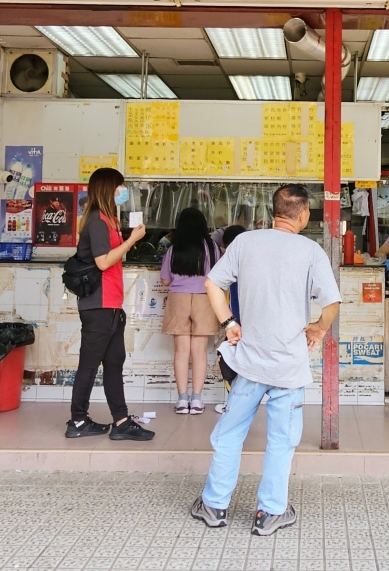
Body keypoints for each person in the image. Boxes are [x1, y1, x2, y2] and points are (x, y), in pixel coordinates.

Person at [191, 184, 340, 537]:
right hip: (288, 367)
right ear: (303, 214)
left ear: (274, 211)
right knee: (281, 441)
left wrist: (229, 323)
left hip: (250, 364)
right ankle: (270, 512)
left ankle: (214, 505)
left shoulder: (245, 242)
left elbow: (212, 284)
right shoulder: (311, 251)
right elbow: (331, 303)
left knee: (229, 435)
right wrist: (318, 329)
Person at [66, 168, 154, 441]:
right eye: (120, 187)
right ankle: (78, 420)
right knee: (89, 365)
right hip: (99, 305)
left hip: (111, 304)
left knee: (114, 363)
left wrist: (127, 238)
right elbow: (103, 262)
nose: (123, 191)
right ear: (108, 188)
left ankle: (122, 421)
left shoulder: (108, 219)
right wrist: (131, 241)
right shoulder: (96, 221)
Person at [161, 207, 220, 415]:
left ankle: (182, 400)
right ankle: (196, 400)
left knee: (181, 352)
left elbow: (165, 280)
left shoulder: (174, 248)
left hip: (178, 299)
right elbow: (218, 277)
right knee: (199, 352)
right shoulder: (212, 247)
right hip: (205, 299)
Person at [215, 224, 247, 415]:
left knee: (230, 362)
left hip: (236, 323)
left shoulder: (231, 264)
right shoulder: (252, 262)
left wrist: (229, 323)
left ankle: (233, 402)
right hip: (253, 322)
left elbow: (213, 286)